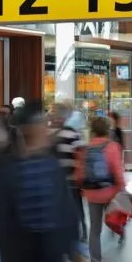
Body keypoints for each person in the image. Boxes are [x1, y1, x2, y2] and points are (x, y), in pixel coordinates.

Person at [0, 102, 78, 262]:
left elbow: (65, 207)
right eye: (41, 123)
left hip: (51, 251)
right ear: (29, 129)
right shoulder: (8, 166)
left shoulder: (51, 163)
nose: (46, 127)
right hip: (21, 252)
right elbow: (0, 214)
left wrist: (73, 246)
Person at [76, 116, 125, 262]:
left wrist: (82, 189)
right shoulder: (113, 146)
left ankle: (96, 261)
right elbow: (117, 171)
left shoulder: (86, 149)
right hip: (111, 192)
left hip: (92, 194)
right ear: (107, 130)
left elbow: (80, 173)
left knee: (95, 229)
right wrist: (121, 188)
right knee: (117, 217)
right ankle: (121, 234)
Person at [50, 103, 87, 241]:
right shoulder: (72, 133)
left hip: (61, 179)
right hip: (70, 178)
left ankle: (75, 231)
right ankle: (82, 230)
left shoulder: (53, 134)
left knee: (65, 206)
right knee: (76, 206)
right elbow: (80, 154)